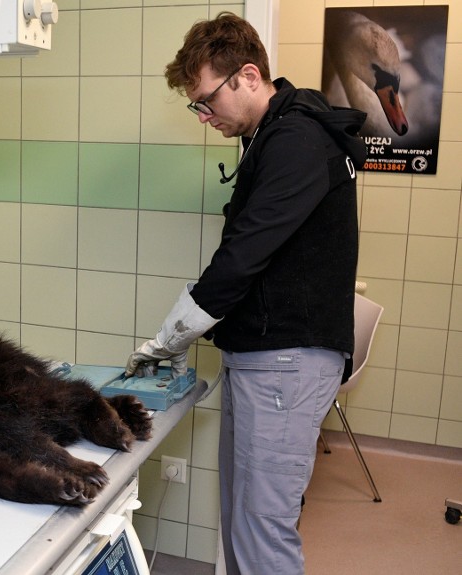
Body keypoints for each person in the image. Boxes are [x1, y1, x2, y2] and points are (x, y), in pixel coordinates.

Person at [125, 12, 367, 575]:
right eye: (197, 106)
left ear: (249, 76)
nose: (204, 115)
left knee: (262, 530)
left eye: (208, 100)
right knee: (240, 519)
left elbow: (241, 258)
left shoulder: (297, 141)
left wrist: (168, 339)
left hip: (288, 360)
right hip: (263, 356)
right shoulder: (272, 134)